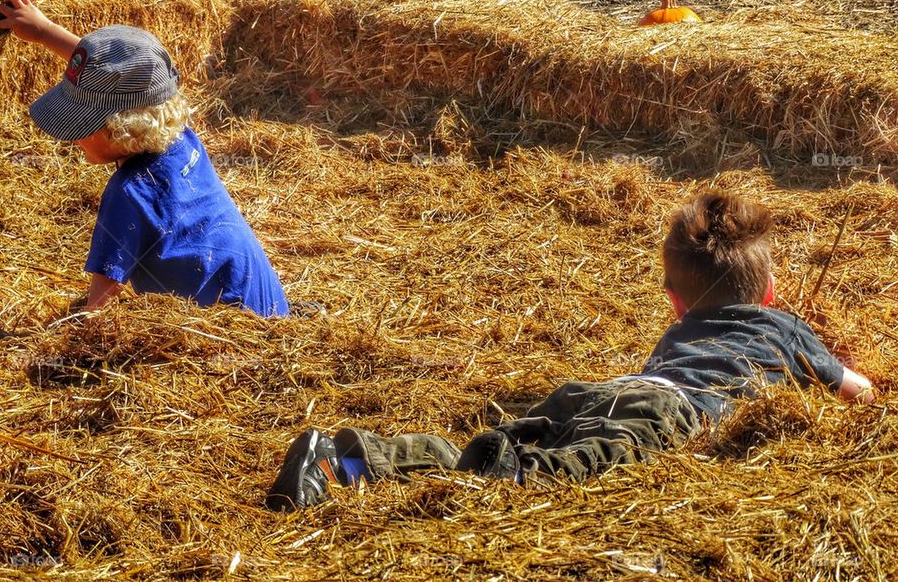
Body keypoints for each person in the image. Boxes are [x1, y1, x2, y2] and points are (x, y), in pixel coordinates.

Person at [265, 191, 873, 511]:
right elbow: (857, 391)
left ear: (675, 303)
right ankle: (374, 464)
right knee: (563, 470)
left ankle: (352, 459)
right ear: (770, 292)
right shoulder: (787, 329)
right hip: (674, 415)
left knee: (517, 437)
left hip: (606, 393)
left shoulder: (677, 335)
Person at [0, 0, 289, 316]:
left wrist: (70, 339)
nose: (71, 138)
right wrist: (44, 31)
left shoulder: (128, 194)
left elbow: (100, 303)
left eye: (80, 124)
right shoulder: (179, 137)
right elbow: (131, 76)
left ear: (121, 128)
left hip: (226, 336)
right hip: (268, 307)